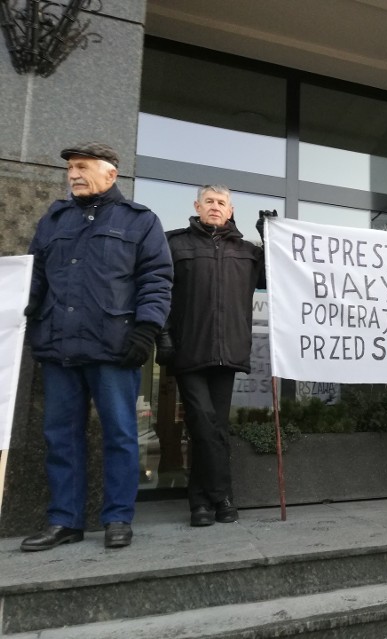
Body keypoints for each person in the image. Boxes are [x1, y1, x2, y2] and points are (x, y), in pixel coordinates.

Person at [22, 142, 173, 551]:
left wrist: (146, 331)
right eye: (70, 167)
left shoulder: (139, 221)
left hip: (114, 346)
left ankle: (118, 517)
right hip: (58, 346)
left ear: (110, 174)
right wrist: (21, 306)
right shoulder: (54, 219)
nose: (73, 173)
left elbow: (156, 280)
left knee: (122, 434)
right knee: (60, 436)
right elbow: (33, 277)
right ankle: (64, 520)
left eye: (82, 166)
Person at [160, 185, 266, 527]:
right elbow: (159, 291)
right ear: (197, 206)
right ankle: (221, 496)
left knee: (215, 427)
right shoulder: (174, 244)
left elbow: (282, 275)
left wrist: (273, 239)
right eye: (210, 202)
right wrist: (162, 336)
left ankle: (202, 504)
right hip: (188, 350)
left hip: (228, 352)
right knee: (203, 423)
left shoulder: (248, 251)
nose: (215, 207)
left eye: (222, 203)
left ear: (231, 209)